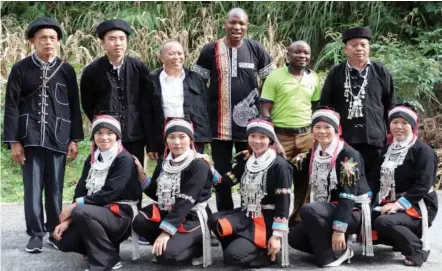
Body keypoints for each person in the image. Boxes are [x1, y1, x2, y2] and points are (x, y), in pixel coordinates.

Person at [2, 17, 84, 253]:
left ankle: (54, 231)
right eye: (43, 38)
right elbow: (12, 106)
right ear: (32, 41)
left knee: (56, 188)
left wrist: (74, 139)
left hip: (59, 136)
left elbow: (73, 105)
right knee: (33, 187)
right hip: (30, 137)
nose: (48, 42)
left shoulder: (66, 69)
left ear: (58, 41)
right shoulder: (21, 68)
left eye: (52, 38)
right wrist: (14, 141)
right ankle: (35, 233)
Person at [193, 8, 276, 212]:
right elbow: (196, 84)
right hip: (218, 126)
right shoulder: (209, 50)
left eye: (242, 23)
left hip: (250, 129)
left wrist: (266, 116)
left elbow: (272, 82)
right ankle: (224, 217)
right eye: (233, 23)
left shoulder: (256, 49)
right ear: (225, 24)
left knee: (250, 173)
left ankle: (249, 216)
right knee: (221, 176)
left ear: (247, 26)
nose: (237, 27)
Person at [52, 114, 142, 270]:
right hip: (95, 212)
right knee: (63, 240)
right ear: (93, 136)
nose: (104, 137)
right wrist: (67, 221)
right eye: (99, 133)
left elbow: (111, 192)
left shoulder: (124, 159)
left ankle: (107, 260)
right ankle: (96, 250)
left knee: (81, 211)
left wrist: (74, 207)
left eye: (109, 133)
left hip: (120, 214)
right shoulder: (92, 158)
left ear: (117, 136)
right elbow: (81, 189)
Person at [288, 108, 373, 267]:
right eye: (317, 127)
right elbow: (293, 167)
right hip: (328, 207)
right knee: (294, 239)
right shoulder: (315, 152)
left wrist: (339, 229)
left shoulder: (348, 155)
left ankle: (331, 255)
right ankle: (339, 250)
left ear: (336, 130)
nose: (322, 131)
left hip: (353, 210)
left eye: (327, 127)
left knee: (308, 210)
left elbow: (348, 195)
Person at [319, 27, 396, 195]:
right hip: (346, 140)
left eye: (363, 44)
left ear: (369, 47)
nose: (359, 49)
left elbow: (391, 105)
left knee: (374, 181)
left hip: (374, 138)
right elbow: (326, 107)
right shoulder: (336, 73)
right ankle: (349, 215)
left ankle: (372, 217)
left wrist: (392, 133)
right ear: (346, 49)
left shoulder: (380, 71)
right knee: (347, 181)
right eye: (353, 45)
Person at [209, 118, 292, 268]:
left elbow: (283, 202)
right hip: (247, 213)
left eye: (262, 137)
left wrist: (277, 236)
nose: (257, 141)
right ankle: (242, 248)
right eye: (252, 136)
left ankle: (265, 255)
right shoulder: (248, 161)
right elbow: (226, 181)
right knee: (215, 219)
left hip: (266, 219)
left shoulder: (280, 165)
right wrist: (209, 167)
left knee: (233, 257)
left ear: (271, 140)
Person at [132, 118, 213, 267]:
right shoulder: (165, 161)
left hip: (192, 217)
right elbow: (158, 194)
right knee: (139, 221)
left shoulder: (198, 164)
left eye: (182, 137)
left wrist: (166, 232)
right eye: (172, 137)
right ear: (166, 141)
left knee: (167, 257)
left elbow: (186, 201)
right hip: (170, 212)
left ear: (190, 140)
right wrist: (141, 176)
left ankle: (196, 249)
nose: (177, 142)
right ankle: (167, 245)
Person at [260, 40, 321, 225]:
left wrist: (315, 137)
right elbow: (265, 110)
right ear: (288, 55)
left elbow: (315, 107)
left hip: (306, 137)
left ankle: (298, 222)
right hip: (281, 136)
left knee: (306, 181)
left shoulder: (314, 78)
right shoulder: (275, 77)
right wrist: (274, 140)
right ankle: (274, 220)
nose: (302, 56)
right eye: (298, 52)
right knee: (278, 180)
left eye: (306, 53)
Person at [372, 104, 438, 267]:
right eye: (394, 122)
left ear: (413, 126)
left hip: (418, 205)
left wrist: (397, 204)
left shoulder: (423, 151)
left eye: (404, 123)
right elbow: (375, 178)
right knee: (364, 218)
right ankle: (399, 241)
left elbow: (423, 185)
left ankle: (417, 250)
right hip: (390, 200)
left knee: (384, 222)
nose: (398, 127)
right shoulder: (388, 149)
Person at [80, 19, 149, 164]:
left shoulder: (138, 67)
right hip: (106, 136)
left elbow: (146, 101)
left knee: (134, 173)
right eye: (112, 39)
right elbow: (88, 103)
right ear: (102, 43)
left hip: (134, 134)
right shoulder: (92, 71)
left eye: (121, 39)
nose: (117, 43)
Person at [144, 40, 211, 174]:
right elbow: (147, 113)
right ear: (161, 57)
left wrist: (203, 137)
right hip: (164, 135)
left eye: (180, 53)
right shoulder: (151, 80)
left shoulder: (195, 78)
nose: (177, 57)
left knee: (193, 171)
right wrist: (151, 145)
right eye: (171, 54)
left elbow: (205, 108)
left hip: (192, 134)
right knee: (165, 172)